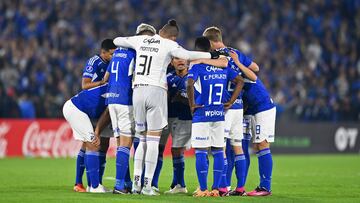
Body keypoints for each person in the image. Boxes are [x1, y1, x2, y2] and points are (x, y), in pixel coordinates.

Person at [113, 20, 225, 196]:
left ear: (159, 31)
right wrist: (213, 57)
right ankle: (148, 186)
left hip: (138, 90)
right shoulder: (169, 44)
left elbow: (117, 40)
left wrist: (138, 41)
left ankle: (136, 185)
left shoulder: (141, 40)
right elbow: (187, 54)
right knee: (152, 141)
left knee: (140, 139)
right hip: (156, 91)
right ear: (173, 37)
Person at [204, 26, 276, 196]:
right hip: (246, 108)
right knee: (240, 145)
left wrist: (237, 64)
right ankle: (237, 186)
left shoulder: (222, 57)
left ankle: (265, 187)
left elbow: (254, 74)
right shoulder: (233, 51)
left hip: (261, 104)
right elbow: (256, 66)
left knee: (261, 144)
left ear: (209, 42)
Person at [188, 37, 244, 197]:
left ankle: (203, 189)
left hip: (202, 113)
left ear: (198, 50)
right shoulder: (223, 66)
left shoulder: (197, 66)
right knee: (219, 150)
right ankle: (215, 189)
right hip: (219, 114)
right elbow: (240, 81)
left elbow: (189, 83)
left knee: (201, 151)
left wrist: (192, 104)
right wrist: (231, 101)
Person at [73, 39, 116, 193]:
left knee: (104, 145)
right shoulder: (94, 61)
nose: (113, 56)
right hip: (91, 108)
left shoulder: (114, 62)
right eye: (111, 53)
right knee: (89, 143)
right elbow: (84, 85)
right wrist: (103, 83)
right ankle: (78, 182)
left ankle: (96, 183)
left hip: (104, 109)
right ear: (103, 52)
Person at [101, 46, 136, 194]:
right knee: (126, 144)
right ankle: (119, 185)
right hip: (124, 100)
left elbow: (105, 78)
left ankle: (126, 182)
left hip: (111, 100)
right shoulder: (134, 53)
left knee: (120, 142)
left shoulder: (116, 54)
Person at [63, 84, 109, 193]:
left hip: (83, 110)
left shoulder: (112, 86)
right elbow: (107, 113)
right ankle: (94, 186)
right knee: (92, 143)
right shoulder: (117, 90)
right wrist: (97, 132)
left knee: (91, 143)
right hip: (75, 109)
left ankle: (90, 185)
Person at [164, 57, 192, 194]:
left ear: (188, 61)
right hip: (179, 118)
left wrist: (181, 98)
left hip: (194, 119)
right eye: (176, 59)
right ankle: (180, 184)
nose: (180, 61)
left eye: (182, 59)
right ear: (172, 62)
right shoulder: (168, 77)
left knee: (202, 150)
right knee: (176, 150)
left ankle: (203, 186)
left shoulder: (193, 76)